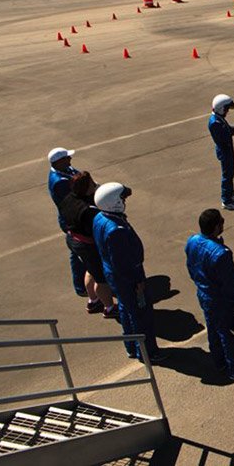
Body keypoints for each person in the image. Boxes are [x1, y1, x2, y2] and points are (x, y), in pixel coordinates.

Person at [184, 209, 234, 380]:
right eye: (221, 221)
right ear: (215, 227)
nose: (224, 222)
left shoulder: (193, 241)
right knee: (230, 335)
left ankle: (219, 362)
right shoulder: (221, 255)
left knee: (213, 329)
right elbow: (231, 286)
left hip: (204, 294)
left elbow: (190, 266)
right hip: (221, 301)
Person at [93, 182, 164, 363]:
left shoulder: (99, 218)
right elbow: (123, 262)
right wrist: (138, 281)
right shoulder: (116, 230)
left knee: (126, 310)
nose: (124, 201)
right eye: (122, 198)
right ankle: (148, 352)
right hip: (128, 278)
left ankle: (131, 347)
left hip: (113, 275)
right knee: (141, 315)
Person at [58, 172, 117, 318]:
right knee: (101, 278)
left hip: (73, 240)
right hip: (87, 245)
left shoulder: (68, 199)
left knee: (89, 269)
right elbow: (95, 230)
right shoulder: (88, 210)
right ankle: (109, 308)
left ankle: (93, 300)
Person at [47, 147, 87, 297]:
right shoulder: (59, 182)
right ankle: (80, 286)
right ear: (58, 162)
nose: (70, 160)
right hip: (72, 220)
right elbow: (75, 198)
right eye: (67, 158)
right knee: (78, 253)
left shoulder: (66, 169)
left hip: (76, 217)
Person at [208, 94, 234, 210]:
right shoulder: (215, 123)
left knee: (231, 172)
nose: (227, 111)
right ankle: (226, 200)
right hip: (224, 150)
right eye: (227, 109)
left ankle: (230, 193)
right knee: (227, 174)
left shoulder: (219, 118)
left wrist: (233, 128)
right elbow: (222, 137)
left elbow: (226, 129)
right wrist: (231, 132)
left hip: (228, 148)